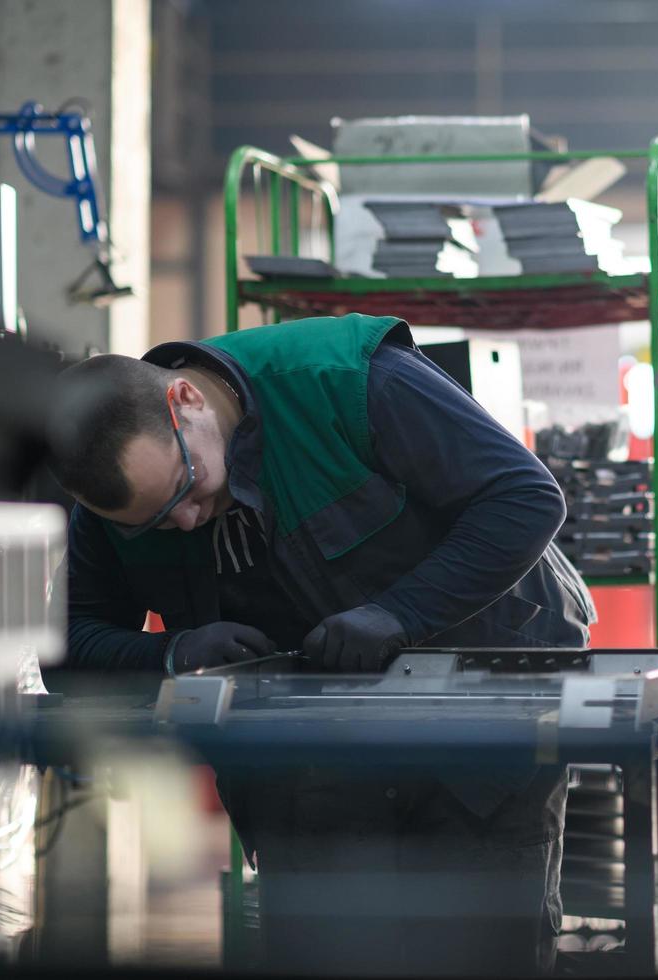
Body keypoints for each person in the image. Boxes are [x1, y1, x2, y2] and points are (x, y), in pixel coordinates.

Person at [47, 313, 595, 974]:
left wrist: (401, 613)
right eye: (157, 522)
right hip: (310, 761)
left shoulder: (348, 380)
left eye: (186, 490)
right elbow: (70, 643)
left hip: (478, 726)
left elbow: (526, 498)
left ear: (185, 400)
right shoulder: (119, 494)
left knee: (480, 949)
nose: (186, 521)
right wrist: (171, 651)